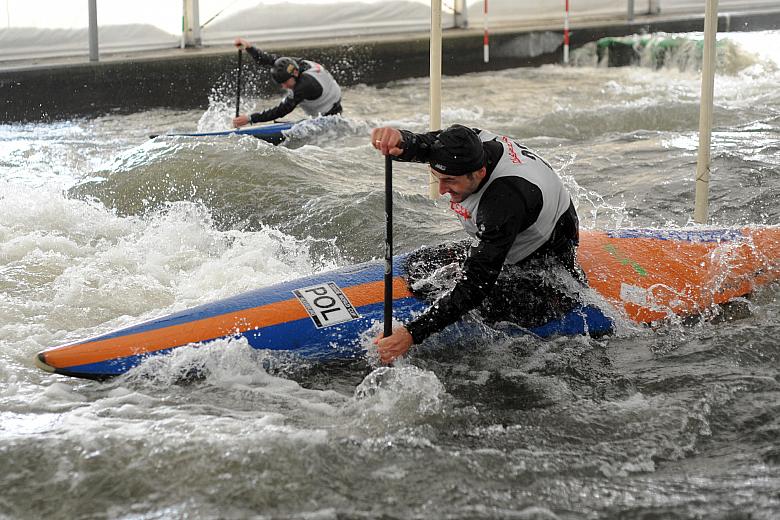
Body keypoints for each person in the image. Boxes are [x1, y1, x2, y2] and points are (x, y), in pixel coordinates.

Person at [370, 124, 583, 364]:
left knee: (477, 307)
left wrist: (412, 334)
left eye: (450, 180)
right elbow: (426, 144)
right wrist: (401, 141)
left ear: (480, 172)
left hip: (546, 267)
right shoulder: (470, 142)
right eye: (437, 178)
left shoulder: (503, 200)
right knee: (421, 264)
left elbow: (476, 286)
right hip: (514, 236)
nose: (441, 190)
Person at [232, 38, 343, 127]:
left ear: (295, 73)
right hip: (332, 97)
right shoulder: (293, 64)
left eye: (285, 82)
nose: (284, 86)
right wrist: (249, 47)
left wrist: (250, 118)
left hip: (329, 116)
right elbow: (269, 59)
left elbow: (281, 110)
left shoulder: (304, 86)